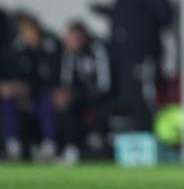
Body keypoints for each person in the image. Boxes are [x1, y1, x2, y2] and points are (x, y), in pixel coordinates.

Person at [91, 0, 172, 131]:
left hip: (141, 54)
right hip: (125, 55)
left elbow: (163, 14)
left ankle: (147, 139)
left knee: (142, 97)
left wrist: (140, 36)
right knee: (127, 96)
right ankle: (132, 138)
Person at [1, 13, 61, 161]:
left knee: (47, 100)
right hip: (20, 97)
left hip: (40, 96)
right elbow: (10, 76)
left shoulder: (50, 50)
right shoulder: (16, 52)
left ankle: (49, 146)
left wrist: (28, 88)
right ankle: (13, 146)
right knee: (7, 99)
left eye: (30, 31)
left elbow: (51, 78)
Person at [55, 21, 112, 164]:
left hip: (101, 96)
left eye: (73, 39)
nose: (70, 42)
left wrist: (77, 95)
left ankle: (101, 145)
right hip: (80, 97)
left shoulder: (98, 49)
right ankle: (68, 148)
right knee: (63, 105)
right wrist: (64, 94)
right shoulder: (69, 54)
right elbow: (66, 81)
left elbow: (104, 84)